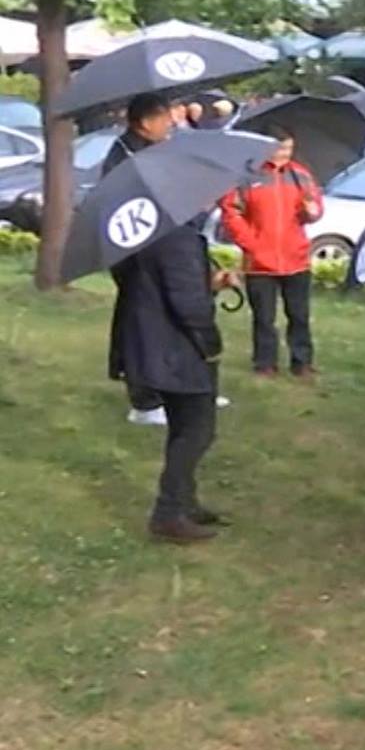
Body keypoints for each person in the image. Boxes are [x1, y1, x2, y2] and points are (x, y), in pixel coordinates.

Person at [115, 208, 233, 542]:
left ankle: (184, 502)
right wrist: (209, 343)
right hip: (176, 347)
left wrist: (209, 282)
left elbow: (161, 284)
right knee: (198, 429)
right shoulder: (178, 237)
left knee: (183, 426)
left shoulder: (154, 232)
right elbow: (187, 302)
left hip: (154, 341)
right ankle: (167, 514)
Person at [217, 127, 323, 377]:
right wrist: (251, 243)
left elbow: (315, 208)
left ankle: (302, 362)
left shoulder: (300, 175)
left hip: (295, 258)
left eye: (289, 148)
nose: (285, 154)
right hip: (260, 262)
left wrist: (312, 212)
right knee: (264, 318)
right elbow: (231, 212)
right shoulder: (247, 176)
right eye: (280, 148)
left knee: (299, 314)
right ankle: (265, 363)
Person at [106, 93, 179, 427]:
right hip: (134, 252)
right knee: (141, 326)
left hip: (160, 248)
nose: (171, 123)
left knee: (170, 318)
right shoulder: (123, 155)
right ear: (146, 122)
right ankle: (144, 399)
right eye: (165, 117)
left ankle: (171, 388)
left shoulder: (154, 150)